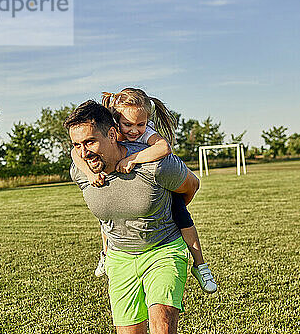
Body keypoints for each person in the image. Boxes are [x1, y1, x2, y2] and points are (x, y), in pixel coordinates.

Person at [64, 100, 200, 334]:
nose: (83, 152)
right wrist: (84, 160)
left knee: (162, 329)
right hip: (122, 258)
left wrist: (168, 215)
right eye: (76, 145)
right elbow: (81, 166)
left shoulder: (155, 164)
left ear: (112, 133)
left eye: (90, 141)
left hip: (163, 250)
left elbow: (191, 184)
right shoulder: (81, 170)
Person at [71, 87, 217, 294]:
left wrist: (132, 159)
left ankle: (200, 265)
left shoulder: (147, 133)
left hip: (161, 187)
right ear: (116, 123)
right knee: (108, 221)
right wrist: (89, 173)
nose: (134, 130)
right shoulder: (113, 134)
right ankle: (105, 255)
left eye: (140, 124)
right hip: (122, 194)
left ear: (147, 120)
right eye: (127, 124)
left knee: (183, 218)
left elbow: (163, 148)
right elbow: (75, 153)